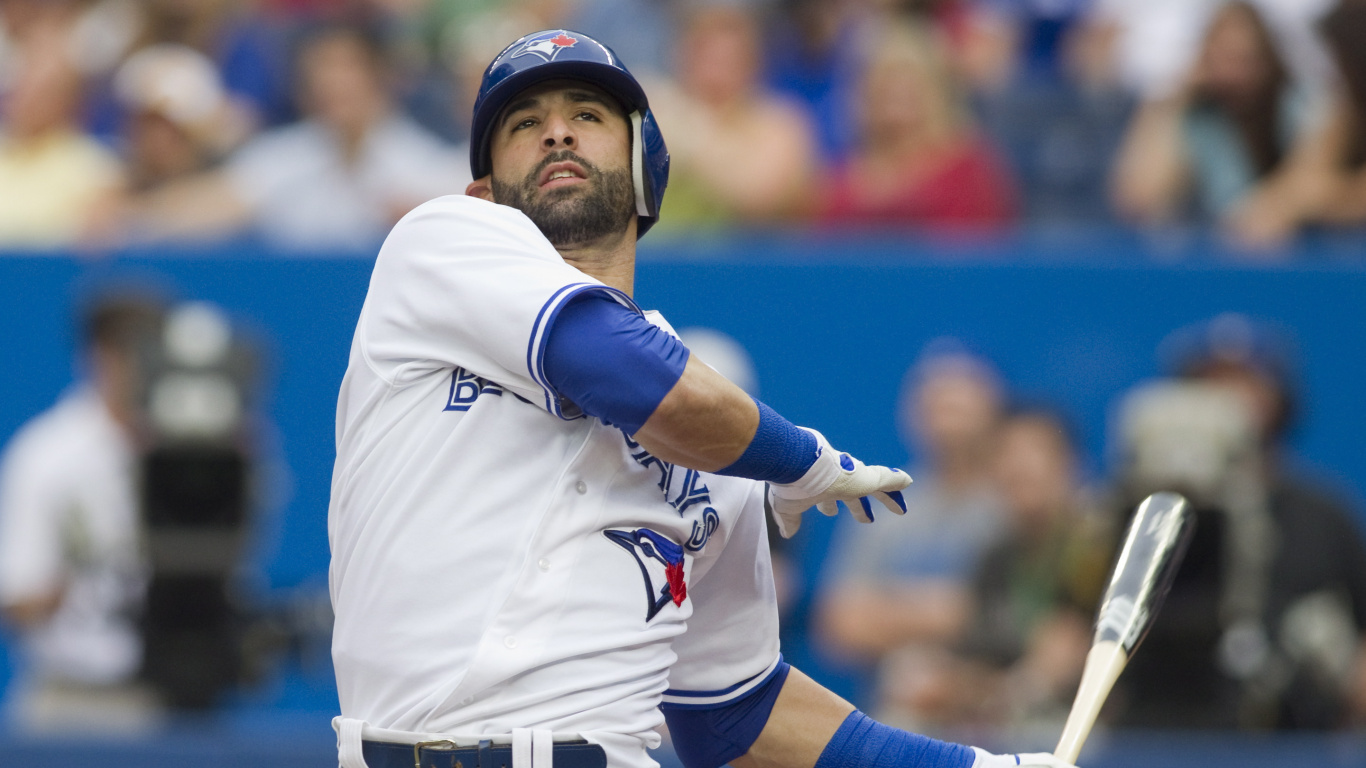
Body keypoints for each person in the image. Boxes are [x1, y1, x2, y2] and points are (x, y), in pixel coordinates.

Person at [327, 28, 1076, 768]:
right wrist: (803, 461)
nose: (557, 132)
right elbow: (628, 373)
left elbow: (738, 717)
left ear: (645, 167)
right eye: (524, 124)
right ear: (483, 191)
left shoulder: (725, 433)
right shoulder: (438, 244)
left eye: (588, 115)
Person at [1109, 313, 1366, 729]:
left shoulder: (1322, 515)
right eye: (1209, 382)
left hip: (1289, 735)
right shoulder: (1142, 511)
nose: (1227, 398)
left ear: (1279, 398)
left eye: (1245, 383)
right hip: (1146, 725)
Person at [120, 24, 468, 251]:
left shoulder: (427, 165)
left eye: (345, 68)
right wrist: (129, 218)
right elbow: (217, 202)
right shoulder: (283, 157)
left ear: (381, 76)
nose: (331, 83)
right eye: (320, 71)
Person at [877, 407, 1110, 734]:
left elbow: (1064, 660)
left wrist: (987, 692)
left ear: (1071, 464)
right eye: (1005, 455)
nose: (1018, 466)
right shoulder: (993, 557)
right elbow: (978, 657)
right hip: (1005, 725)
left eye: (1034, 453)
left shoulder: (1098, 546)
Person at [0, 296, 162, 732]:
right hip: (68, 702)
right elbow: (20, 597)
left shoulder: (193, 455)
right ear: (102, 355)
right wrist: (88, 563)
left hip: (168, 703)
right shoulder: (46, 454)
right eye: (135, 352)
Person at [817, 345, 1007, 674]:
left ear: (993, 413)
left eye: (960, 407)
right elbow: (839, 622)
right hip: (894, 713)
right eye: (938, 406)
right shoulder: (882, 501)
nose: (949, 421)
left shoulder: (1014, 506)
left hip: (1002, 712)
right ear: (913, 415)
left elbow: (1026, 621)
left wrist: (891, 608)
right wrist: (939, 612)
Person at [1109, 2, 1322, 229]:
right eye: (1221, 59)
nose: (1233, 75)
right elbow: (1138, 199)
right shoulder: (1199, 114)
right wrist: (1172, 101)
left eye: (1244, 61)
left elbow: (1314, 181)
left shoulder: (1303, 106)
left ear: (1268, 59)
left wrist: (1276, 206)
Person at [815, 20, 1017, 232]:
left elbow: (973, 249)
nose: (897, 92)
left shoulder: (968, 170)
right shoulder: (842, 175)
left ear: (936, 92)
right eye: (886, 81)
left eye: (909, 82)